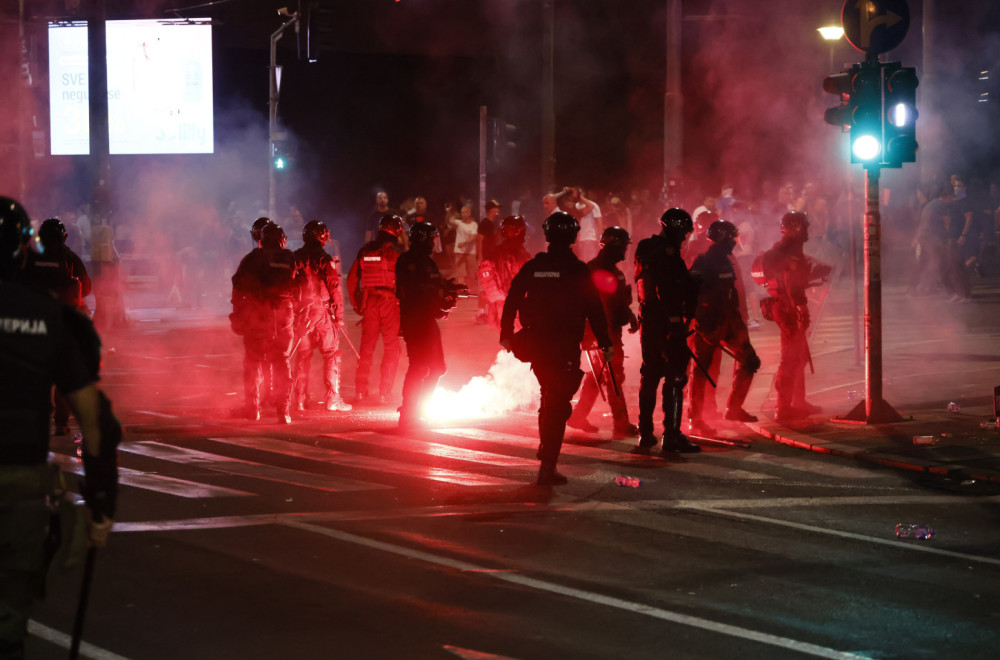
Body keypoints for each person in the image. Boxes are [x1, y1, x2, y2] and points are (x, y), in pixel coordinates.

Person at [0, 197, 119, 659]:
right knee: (9, 622)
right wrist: (102, 504)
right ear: (21, 250)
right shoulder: (50, 319)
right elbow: (95, 421)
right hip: (20, 487)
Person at [500, 211, 612, 486]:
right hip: (563, 346)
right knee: (558, 401)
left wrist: (506, 334)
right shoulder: (578, 270)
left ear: (549, 235)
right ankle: (548, 465)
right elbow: (595, 309)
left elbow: (513, 296)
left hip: (539, 344)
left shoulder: (536, 266)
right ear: (574, 236)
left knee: (549, 395)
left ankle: (546, 447)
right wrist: (605, 342)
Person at [634, 208, 702, 453]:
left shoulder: (645, 248)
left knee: (650, 374)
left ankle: (645, 434)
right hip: (667, 323)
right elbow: (668, 289)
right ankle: (671, 435)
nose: (684, 238)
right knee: (675, 376)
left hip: (649, 321)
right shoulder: (667, 255)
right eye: (682, 233)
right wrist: (676, 322)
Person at [687, 220, 762, 435]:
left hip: (730, 321)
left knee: (750, 360)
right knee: (701, 371)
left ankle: (734, 408)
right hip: (710, 323)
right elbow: (691, 295)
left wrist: (738, 318)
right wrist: (700, 322)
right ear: (723, 239)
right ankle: (696, 419)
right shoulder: (703, 263)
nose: (734, 242)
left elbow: (733, 293)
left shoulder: (728, 262)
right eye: (731, 238)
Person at [21, 218, 93, 437]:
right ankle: (60, 423)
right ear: (63, 237)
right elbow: (87, 287)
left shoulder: (33, 260)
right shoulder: (69, 259)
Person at [566, 226, 640, 438]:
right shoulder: (594, 270)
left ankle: (578, 416)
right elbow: (589, 305)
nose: (626, 251)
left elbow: (618, 301)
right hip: (601, 334)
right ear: (614, 247)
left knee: (599, 375)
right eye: (624, 246)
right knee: (614, 375)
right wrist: (590, 334)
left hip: (610, 331)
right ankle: (621, 423)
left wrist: (630, 315)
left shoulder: (613, 271)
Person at [758, 211, 830, 422]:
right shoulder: (790, 250)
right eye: (805, 227)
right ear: (797, 228)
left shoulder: (785, 248)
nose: (807, 231)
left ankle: (798, 402)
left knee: (798, 356)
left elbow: (795, 278)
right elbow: (791, 283)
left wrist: (816, 273)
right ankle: (783, 407)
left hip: (785, 305)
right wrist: (801, 308)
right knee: (790, 358)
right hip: (788, 307)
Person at [395, 222, 459, 429]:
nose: (433, 243)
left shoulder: (421, 262)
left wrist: (448, 291)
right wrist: (443, 296)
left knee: (437, 367)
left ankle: (418, 409)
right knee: (419, 366)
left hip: (423, 319)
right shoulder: (412, 262)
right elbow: (421, 292)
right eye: (432, 239)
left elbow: (433, 289)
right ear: (424, 239)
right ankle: (408, 411)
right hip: (416, 319)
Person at [231, 223, 298, 423]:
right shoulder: (290, 258)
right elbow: (300, 287)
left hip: (257, 314)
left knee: (253, 361)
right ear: (282, 239)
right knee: (282, 360)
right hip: (284, 315)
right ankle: (283, 411)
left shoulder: (252, 258)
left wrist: (238, 313)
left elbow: (238, 286)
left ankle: (253, 409)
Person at [292, 220, 352, 413]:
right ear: (322, 236)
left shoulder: (295, 257)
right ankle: (333, 399)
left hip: (301, 312)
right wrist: (339, 316)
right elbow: (335, 287)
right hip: (320, 311)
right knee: (332, 354)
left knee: (302, 356)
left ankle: (299, 400)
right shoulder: (324, 258)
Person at [346, 214, 404, 405]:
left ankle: (360, 391)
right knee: (391, 349)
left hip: (370, 302)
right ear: (397, 230)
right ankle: (384, 393)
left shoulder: (365, 250)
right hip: (390, 303)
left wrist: (356, 303)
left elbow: (352, 279)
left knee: (366, 350)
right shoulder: (397, 250)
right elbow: (404, 281)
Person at [477, 215, 531, 329]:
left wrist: (495, 295)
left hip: (500, 306)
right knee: (518, 339)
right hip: (515, 306)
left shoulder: (496, 252)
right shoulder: (521, 255)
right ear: (520, 231)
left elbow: (484, 271)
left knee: (508, 337)